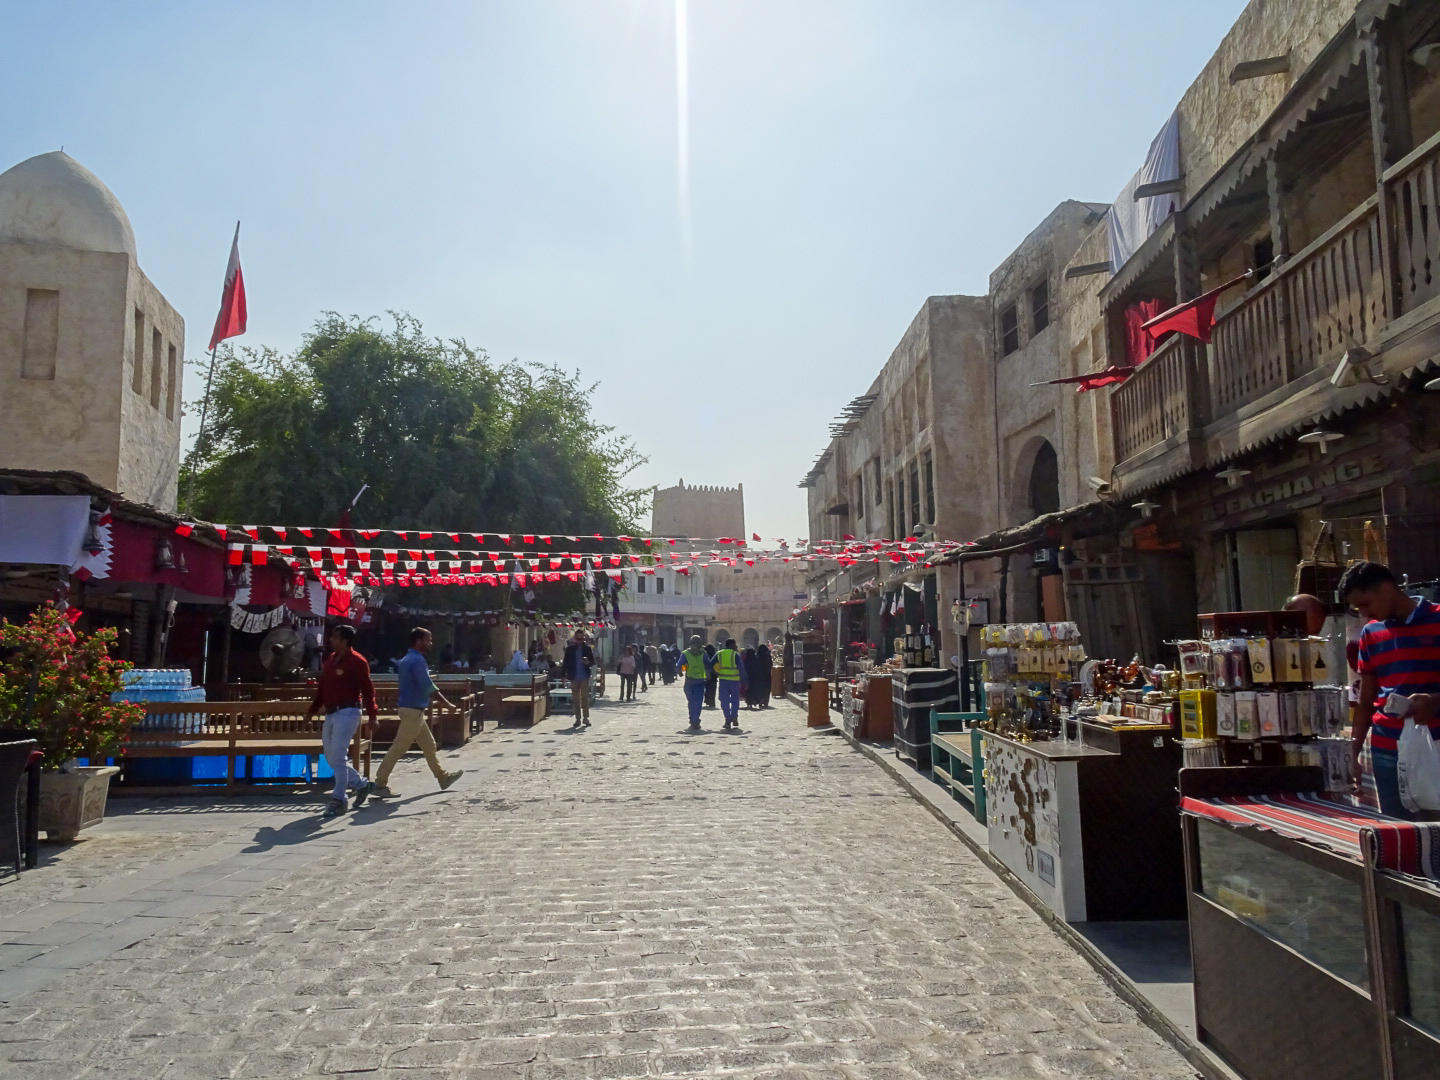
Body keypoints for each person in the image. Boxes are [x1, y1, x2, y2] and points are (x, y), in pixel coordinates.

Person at [1341, 562, 1440, 819]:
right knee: (1398, 834)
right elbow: (1365, 701)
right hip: (1387, 750)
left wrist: (1434, 701)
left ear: (1386, 589)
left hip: (1435, 747)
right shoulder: (1371, 634)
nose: (1364, 613)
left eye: (1365, 604)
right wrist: (1353, 752)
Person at [373, 627, 463, 798]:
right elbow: (428, 686)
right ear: (418, 641)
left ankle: (442, 777)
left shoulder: (408, 659)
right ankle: (379, 782)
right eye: (428, 639)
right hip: (412, 711)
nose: (431, 643)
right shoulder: (417, 661)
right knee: (398, 748)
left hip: (414, 711)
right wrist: (448, 704)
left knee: (429, 746)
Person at [305, 624, 379, 818]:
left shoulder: (357, 662)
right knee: (331, 758)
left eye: (336, 637)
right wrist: (313, 709)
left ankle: (339, 799)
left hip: (348, 712)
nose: (332, 640)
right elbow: (322, 688)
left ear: (345, 641)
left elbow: (368, 690)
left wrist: (373, 716)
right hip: (330, 713)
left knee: (338, 757)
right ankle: (362, 784)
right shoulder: (329, 661)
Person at [713, 637, 748, 730]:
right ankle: (734, 716)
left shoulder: (719, 654)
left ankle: (728, 720)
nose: (736, 646)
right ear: (731, 645)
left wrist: (716, 673)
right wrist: (745, 681)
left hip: (723, 681)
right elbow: (741, 668)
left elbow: (710, 664)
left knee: (724, 701)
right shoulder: (735, 655)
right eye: (734, 644)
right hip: (734, 681)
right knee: (735, 700)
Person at [563, 630, 596, 726]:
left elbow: (593, 662)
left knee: (585, 698)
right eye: (578, 639)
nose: (580, 641)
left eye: (582, 639)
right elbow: (566, 663)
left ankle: (585, 718)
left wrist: (588, 662)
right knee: (575, 699)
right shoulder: (570, 649)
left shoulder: (587, 649)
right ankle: (577, 719)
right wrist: (562, 675)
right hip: (574, 676)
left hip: (584, 676)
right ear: (575, 639)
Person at [679, 635, 709, 730]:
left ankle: (692, 719)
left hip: (689, 682)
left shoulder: (685, 653)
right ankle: (695, 720)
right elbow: (708, 665)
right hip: (699, 682)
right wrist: (709, 675)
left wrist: (681, 671)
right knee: (698, 703)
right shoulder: (703, 654)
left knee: (691, 702)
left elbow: (679, 665)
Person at [755, 642, 774, 707]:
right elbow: (771, 665)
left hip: (759, 676)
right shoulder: (768, 656)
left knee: (760, 689)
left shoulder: (758, 656)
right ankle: (766, 702)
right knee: (767, 689)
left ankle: (760, 701)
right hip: (767, 675)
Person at [703, 643, 718, 709]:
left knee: (707, 688)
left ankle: (707, 700)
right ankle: (712, 702)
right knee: (713, 689)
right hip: (714, 674)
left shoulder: (705, 655)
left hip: (706, 673)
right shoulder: (715, 655)